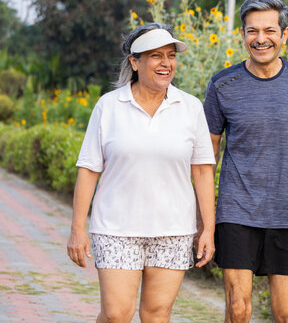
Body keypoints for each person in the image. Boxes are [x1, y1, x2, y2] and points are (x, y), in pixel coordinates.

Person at [67, 23, 216, 323]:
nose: (166, 64)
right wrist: (77, 229)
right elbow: (88, 170)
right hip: (116, 229)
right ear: (135, 62)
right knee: (116, 315)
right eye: (156, 56)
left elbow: (202, 172)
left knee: (157, 314)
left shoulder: (190, 108)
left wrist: (208, 229)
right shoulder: (109, 106)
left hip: (173, 230)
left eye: (171, 56)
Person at [204, 0, 288, 323]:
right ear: (242, 34)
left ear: (284, 34)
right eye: (252, 31)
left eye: (269, 30)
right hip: (237, 211)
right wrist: (204, 215)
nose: (260, 39)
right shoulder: (223, 84)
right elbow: (208, 155)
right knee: (238, 309)